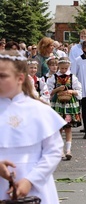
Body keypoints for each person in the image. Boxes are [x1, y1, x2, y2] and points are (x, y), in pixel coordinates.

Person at [0, 50, 66, 203]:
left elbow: (54, 150)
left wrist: (30, 180)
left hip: (36, 185)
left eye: (3, 76)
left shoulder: (39, 110)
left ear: (20, 78)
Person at [47, 57, 82, 161]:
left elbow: (79, 90)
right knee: (59, 128)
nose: (63, 70)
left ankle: (68, 150)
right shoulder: (53, 77)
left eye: (65, 68)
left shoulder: (72, 77)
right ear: (59, 67)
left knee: (68, 127)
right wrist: (57, 89)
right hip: (58, 104)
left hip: (69, 104)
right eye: (62, 68)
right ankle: (60, 150)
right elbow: (48, 91)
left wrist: (72, 91)